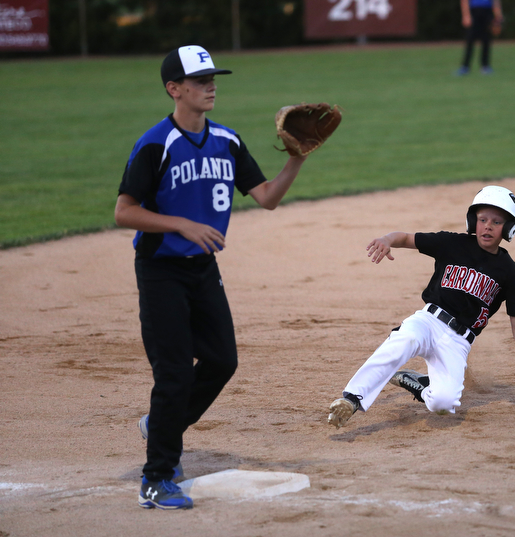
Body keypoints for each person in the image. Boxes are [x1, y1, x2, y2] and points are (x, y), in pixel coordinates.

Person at [115, 45, 308, 510]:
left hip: (203, 270)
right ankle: (156, 477)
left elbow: (266, 197)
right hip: (161, 271)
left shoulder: (227, 140)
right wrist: (180, 223)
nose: (210, 85)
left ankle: (163, 423)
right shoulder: (156, 143)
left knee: (222, 361)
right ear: (174, 89)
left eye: (212, 78)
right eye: (200, 80)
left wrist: (297, 159)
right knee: (175, 372)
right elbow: (125, 212)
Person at [328, 185, 515, 429]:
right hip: (429, 321)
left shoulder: (509, 271)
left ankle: (422, 385)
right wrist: (386, 239)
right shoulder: (452, 244)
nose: (487, 226)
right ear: (472, 221)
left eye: (496, 222)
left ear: (509, 228)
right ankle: (351, 399)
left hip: (458, 342)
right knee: (404, 340)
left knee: (443, 405)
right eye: (482, 219)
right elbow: (405, 238)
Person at [456, 0, 503, 75]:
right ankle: (465, 67)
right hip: (473, 11)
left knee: (486, 39)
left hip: (488, 11)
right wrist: (466, 15)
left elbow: (496, 1)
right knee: (470, 39)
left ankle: (485, 66)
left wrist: (498, 15)